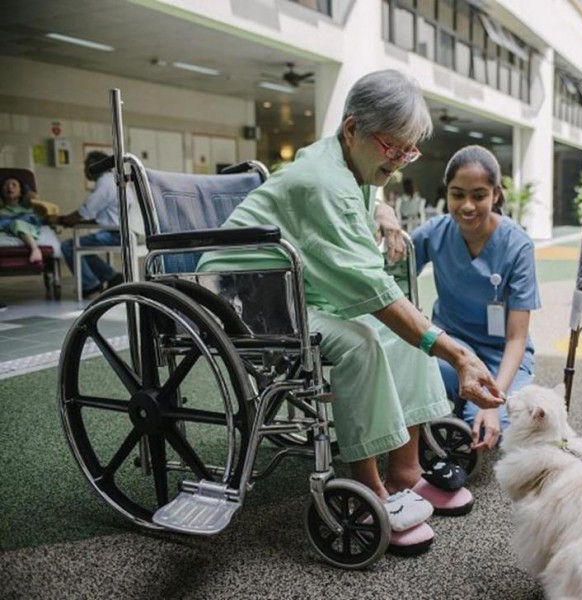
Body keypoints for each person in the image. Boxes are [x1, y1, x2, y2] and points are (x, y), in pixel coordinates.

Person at [197, 70, 504, 555]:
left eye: (409, 151)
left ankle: (406, 473)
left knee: (406, 333)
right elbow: (373, 289)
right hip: (244, 301)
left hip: (294, 291)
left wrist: (381, 209)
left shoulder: (352, 162)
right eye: (394, 149)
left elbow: (366, 208)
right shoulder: (325, 182)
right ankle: (370, 489)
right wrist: (456, 354)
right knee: (366, 337)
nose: (401, 162)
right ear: (352, 129)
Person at [412, 146, 541, 450]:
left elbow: (516, 339)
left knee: (497, 428)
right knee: (411, 381)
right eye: (457, 194)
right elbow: (388, 275)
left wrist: (493, 404)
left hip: (501, 357)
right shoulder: (433, 233)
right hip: (450, 347)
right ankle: (453, 402)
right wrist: (385, 218)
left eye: (479, 195)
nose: (467, 206)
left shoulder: (518, 245)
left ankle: (461, 404)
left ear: (496, 194)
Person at [57, 151, 125, 297]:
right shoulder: (114, 180)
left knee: (68, 246)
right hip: (123, 231)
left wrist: (59, 220)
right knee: (81, 246)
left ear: (96, 166)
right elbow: (101, 217)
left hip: (115, 234)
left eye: (86, 166)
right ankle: (111, 276)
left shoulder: (104, 184)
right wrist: (70, 222)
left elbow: (84, 212)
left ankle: (90, 285)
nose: (85, 170)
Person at [0, 177, 45, 265]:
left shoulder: (30, 209)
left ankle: (35, 249)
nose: (10, 187)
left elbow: (43, 219)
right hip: (5, 231)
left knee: (17, 223)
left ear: (21, 192)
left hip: (25, 228)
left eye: (14, 185)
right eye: (6, 185)